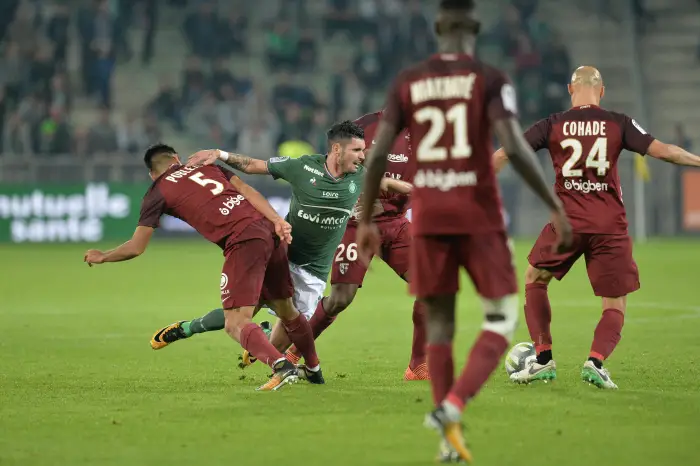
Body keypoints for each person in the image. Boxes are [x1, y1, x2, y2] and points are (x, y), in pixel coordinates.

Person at [355, 0, 572, 462]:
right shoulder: (491, 79)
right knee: (500, 318)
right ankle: (453, 406)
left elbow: (374, 158)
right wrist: (555, 203)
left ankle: (445, 436)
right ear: (475, 28)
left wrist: (369, 220)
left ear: (437, 28)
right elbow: (513, 145)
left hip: (429, 216)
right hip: (477, 214)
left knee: (440, 323)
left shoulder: (408, 81)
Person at [495, 66, 700, 389]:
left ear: (570, 89)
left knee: (535, 278)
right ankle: (596, 361)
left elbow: (509, 151)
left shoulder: (553, 124)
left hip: (567, 223)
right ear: (601, 91)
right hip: (609, 226)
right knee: (615, 303)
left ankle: (543, 359)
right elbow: (667, 152)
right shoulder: (619, 123)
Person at [149, 122, 409, 372]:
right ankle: (187, 329)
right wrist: (220, 153)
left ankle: (257, 344)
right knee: (240, 315)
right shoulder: (303, 167)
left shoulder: (361, 176)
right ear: (337, 149)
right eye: (357, 150)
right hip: (282, 255)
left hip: (313, 274)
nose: (363, 156)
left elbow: (386, 183)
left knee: (272, 343)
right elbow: (253, 166)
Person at [83, 143, 322, 391]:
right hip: (267, 231)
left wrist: (104, 256)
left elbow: (136, 247)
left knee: (235, 322)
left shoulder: (157, 191)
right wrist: (276, 221)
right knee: (287, 309)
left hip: (243, 241)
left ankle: (281, 366)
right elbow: (247, 190)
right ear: (176, 158)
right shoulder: (208, 166)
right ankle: (314, 369)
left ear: (151, 173)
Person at [284, 110, 429, 382]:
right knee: (341, 298)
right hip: (356, 223)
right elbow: (337, 160)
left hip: (395, 223)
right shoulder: (368, 126)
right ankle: (294, 351)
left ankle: (418, 366)